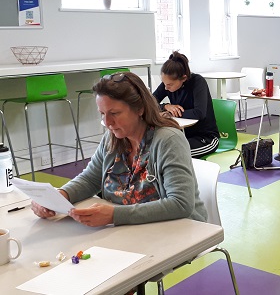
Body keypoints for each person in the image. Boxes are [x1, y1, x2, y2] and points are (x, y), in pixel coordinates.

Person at [31, 71, 208, 227]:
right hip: (130, 227)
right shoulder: (113, 137)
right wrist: (60, 195)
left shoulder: (168, 140)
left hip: (178, 227)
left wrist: (114, 215)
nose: (107, 123)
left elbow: (181, 204)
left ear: (139, 109)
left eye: (114, 113)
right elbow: (90, 179)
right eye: (102, 114)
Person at [153, 51, 219, 158]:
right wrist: (165, 106)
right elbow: (151, 102)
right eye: (164, 84)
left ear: (183, 78)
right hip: (182, 135)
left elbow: (199, 113)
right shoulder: (168, 83)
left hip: (206, 138)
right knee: (158, 149)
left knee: (172, 154)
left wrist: (171, 114)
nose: (166, 88)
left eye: (169, 85)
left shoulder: (198, 82)